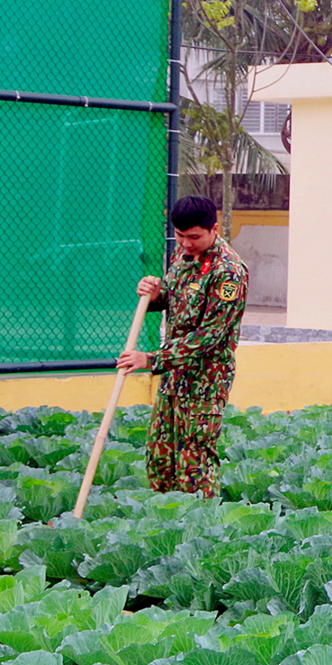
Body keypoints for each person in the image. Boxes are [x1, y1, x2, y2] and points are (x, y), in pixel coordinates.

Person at [115, 195, 248, 497]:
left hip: (205, 379)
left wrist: (151, 359)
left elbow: (209, 336)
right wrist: (154, 296)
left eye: (194, 237)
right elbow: (175, 301)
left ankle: (202, 526)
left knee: (194, 459)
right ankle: (165, 520)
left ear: (214, 230)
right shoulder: (182, 256)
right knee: (160, 455)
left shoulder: (228, 273)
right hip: (174, 375)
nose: (186, 243)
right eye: (180, 236)